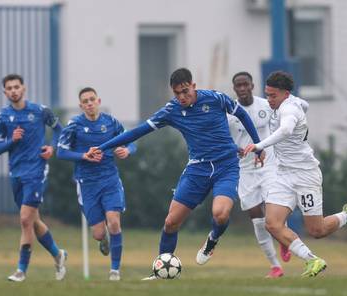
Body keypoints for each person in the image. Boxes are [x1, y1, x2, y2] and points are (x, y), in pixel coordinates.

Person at [94, 68, 263, 279]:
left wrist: (258, 145)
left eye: (185, 91)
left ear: (193, 86)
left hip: (226, 166)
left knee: (220, 214)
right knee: (171, 222)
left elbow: (242, 114)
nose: (182, 97)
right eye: (177, 93)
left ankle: (212, 240)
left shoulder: (216, 98)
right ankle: (159, 271)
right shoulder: (171, 110)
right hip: (197, 170)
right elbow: (137, 132)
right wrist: (103, 146)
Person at [244, 71, 347, 277]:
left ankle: (346, 215)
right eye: (267, 94)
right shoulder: (292, 102)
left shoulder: (289, 109)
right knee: (271, 223)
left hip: (305, 175)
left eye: (273, 96)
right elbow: (304, 105)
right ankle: (312, 260)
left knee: (317, 231)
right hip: (283, 175)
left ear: (285, 93)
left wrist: (259, 146)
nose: (269, 100)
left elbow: (286, 130)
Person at [228, 71, 303, 278]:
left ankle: (283, 239)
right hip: (245, 170)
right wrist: (236, 149)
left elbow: (283, 128)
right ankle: (275, 266)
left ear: (252, 86)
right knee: (256, 218)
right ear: (234, 89)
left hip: (269, 166)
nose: (242, 88)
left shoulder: (265, 106)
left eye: (245, 84)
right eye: (238, 86)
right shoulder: (230, 114)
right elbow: (225, 140)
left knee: (274, 210)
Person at [0, 74, 67, 282]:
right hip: (16, 173)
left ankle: (21, 270)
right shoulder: (2, 117)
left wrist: (52, 147)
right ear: (5, 92)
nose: (14, 90)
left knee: (25, 219)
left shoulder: (40, 111)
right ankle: (58, 254)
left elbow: (61, 131)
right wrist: (11, 140)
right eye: (9, 88)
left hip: (36, 171)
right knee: (33, 221)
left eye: (17, 87)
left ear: (24, 88)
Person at [57, 87, 136, 281]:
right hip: (87, 184)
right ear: (81, 105)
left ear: (98, 101)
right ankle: (104, 240)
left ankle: (115, 271)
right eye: (85, 101)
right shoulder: (74, 125)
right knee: (99, 233)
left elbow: (132, 141)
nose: (90, 103)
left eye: (92, 99)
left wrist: (128, 151)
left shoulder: (110, 122)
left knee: (114, 221)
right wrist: (83, 156)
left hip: (110, 180)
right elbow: (60, 152)